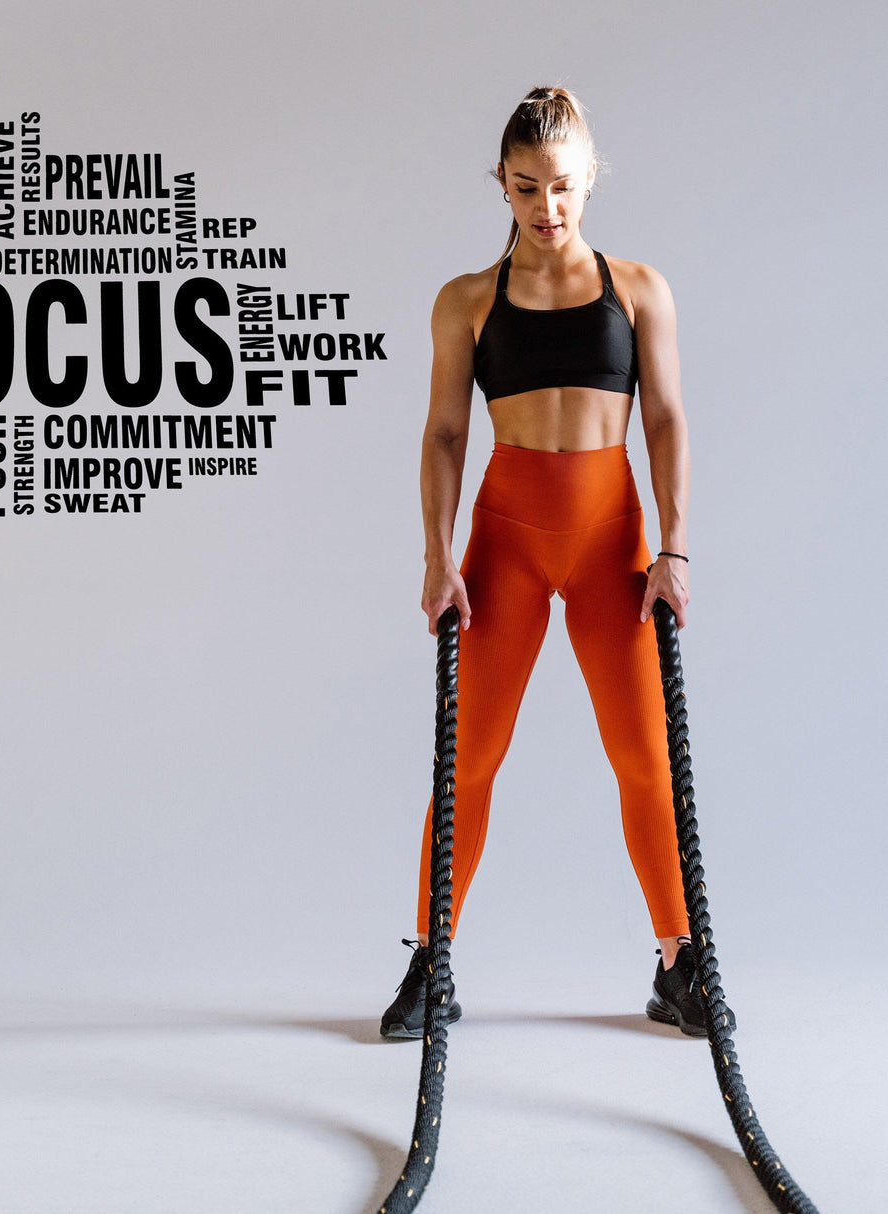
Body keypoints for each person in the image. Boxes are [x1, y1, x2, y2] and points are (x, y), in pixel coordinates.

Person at [381, 85, 710, 1040]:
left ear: (591, 179)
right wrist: (440, 558)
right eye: (526, 187)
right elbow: (445, 434)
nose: (546, 206)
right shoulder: (468, 301)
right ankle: (431, 960)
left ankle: (679, 962)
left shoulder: (640, 289)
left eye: (563, 186)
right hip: (507, 543)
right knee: (468, 761)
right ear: (502, 184)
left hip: (613, 542)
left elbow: (666, 419)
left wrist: (675, 546)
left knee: (643, 756)